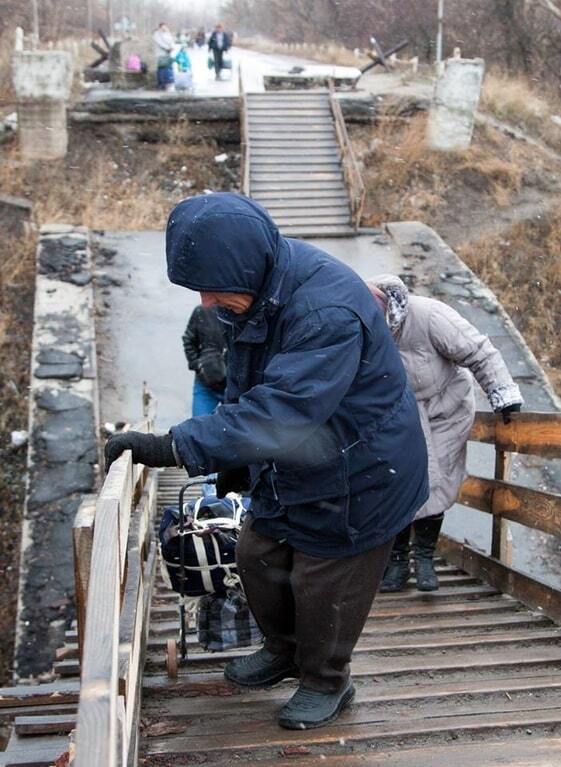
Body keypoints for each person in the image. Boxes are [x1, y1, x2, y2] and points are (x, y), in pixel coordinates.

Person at [105, 193, 429, 730]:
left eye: (212, 287)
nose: (205, 302)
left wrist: (174, 446)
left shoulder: (325, 311)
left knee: (322, 583)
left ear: (244, 267)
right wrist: (234, 456)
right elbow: (246, 377)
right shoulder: (260, 290)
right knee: (256, 554)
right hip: (298, 460)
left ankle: (327, 681)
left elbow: (282, 410)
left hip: (360, 472)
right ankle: (284, 650)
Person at [367, 275, 523, 593]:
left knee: (437, 479)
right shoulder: (361, 328)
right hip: (397, 415)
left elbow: (480, 351)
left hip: (444, 410)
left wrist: (503, 393)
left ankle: (424, 555)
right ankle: (397, 560)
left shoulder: (428, 316)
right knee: (395, 482)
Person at [183, 304, 227, 417]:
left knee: (236, 430)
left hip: (234, 385)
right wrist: (199, 366)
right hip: (205, 383)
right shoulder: (202, 311)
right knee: (198, 428)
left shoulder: (241, 312)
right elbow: (188, 340)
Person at [153, 22, 175, 89]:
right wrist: (168, 48)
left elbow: (171, 41)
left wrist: (171, 47)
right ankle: (161, 83)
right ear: (160, 27)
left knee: (167, 68)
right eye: (163, 27)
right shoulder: (157, 34)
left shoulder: (167, 34)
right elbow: (160, 43)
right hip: (160, 54)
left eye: (165, 27)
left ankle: (166, 82)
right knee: (161, 68)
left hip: (167, 54)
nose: (164, 28)